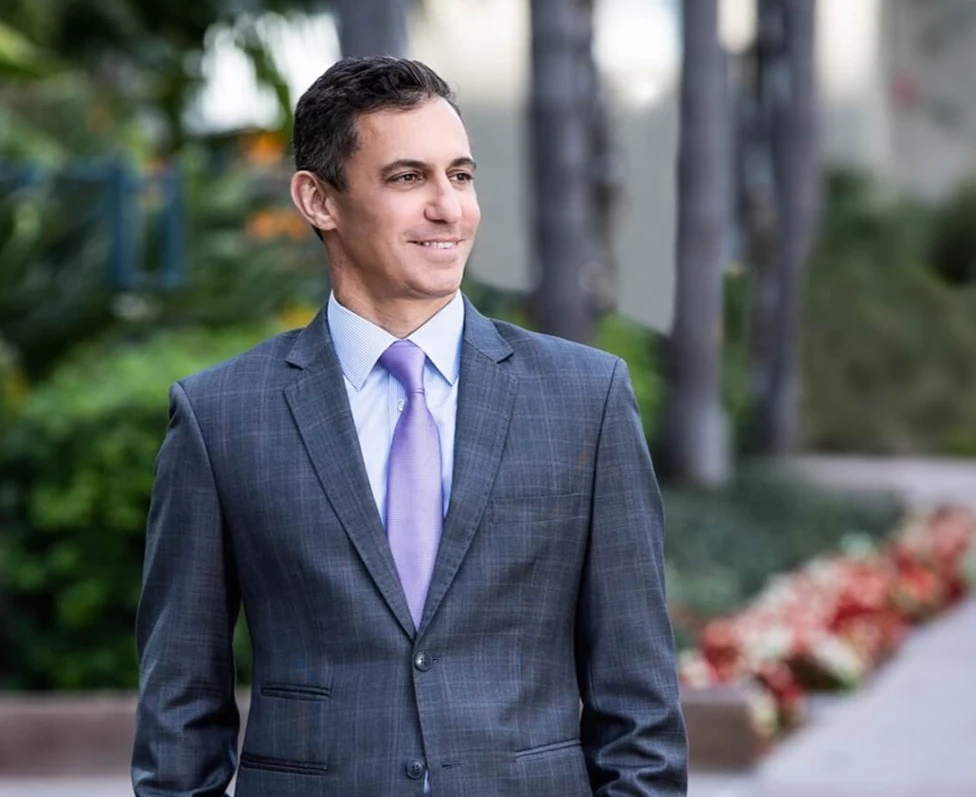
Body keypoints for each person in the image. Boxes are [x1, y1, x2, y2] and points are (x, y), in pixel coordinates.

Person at [132, 55, 688, 797]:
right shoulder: (222, 416)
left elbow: (640, 708)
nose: (448, 207)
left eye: (460, 175)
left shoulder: (585, 397)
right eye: (407, 178)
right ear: (318, 200)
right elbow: (178, 715)